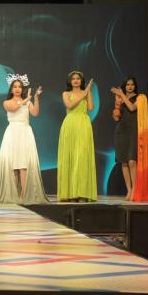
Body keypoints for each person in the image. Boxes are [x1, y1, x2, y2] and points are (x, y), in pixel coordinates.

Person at [0, 77, 47, 204]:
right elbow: (13, 108)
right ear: (11, 89)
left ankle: (23, 194)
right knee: (12, 164)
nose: (17, 89)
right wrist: (25, 100)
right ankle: (13, 192)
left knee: (23, 162)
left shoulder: (27, 102)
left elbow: (35, 113)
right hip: (12, 133)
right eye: (15, 86)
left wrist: (35, 99)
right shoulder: (7, 102)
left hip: (25, 132)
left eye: (19, 87)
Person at [57, 70, 97, 202]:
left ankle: (82, 192)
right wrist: (83, 95)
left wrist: (88, 93)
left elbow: (90, 107)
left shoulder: (86, 93)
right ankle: (70, 193)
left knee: (82, 156)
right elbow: (69, 105)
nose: (75, 80)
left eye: (78, 78)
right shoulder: (66, 93)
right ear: (70, 81)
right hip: (70, 124)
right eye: (73, 78)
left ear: (81, 81)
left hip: (83, 123)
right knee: (70, 156)